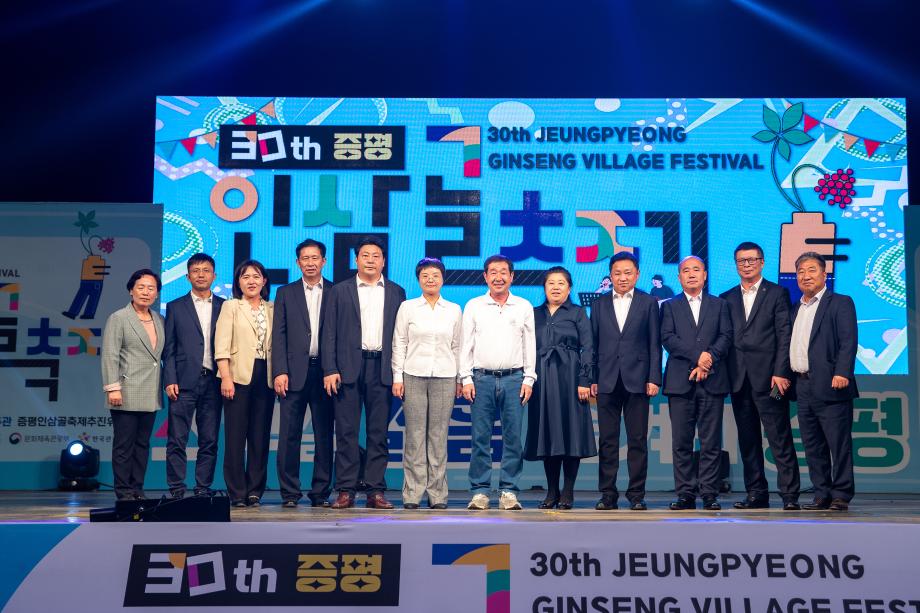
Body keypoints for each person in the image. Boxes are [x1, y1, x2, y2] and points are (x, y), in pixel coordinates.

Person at [322, 237, 406, 509]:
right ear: (356, 259)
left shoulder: (396, 292)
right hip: (346, 369)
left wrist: (399, 373)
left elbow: (401, 336)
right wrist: (330, 368)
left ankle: (375, 490)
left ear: (384, 261)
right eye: (365, 255)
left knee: (378, 433)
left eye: (376, 255)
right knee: (346, 432)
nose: (371, 260)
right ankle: (345, 490)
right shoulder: (340, 290)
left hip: (381, 368)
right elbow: (329, 332)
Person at [720, 242, 801, 511]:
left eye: (751, 260)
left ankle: (789, 495)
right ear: (736, 264)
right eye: (741, 261)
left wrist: (781, 372)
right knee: (748, 440)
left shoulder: (777, 293)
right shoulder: (726, 297)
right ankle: (756, 494)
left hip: (771, 380)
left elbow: (784, 335)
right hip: (738, 379)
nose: (746, 265)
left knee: (779, 437)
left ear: (762, 262)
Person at [460, 255, 536, 511]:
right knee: (480, 438)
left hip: (515, 379)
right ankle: (480, 491)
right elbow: (466, 345)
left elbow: (529, 345)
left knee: (512, 438)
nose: (498, 277)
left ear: (512, 276)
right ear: (485, 276)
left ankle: (508, 491)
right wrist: (466, 378)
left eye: (504, 272)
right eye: (493, 272)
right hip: (481, 379)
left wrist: (529, 378)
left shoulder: (523, 306)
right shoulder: (474, 306)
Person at [660, 256, 733, 511]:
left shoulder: (720, 304)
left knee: (710, 442)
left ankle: (710, 493)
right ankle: (685, 494)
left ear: (705, 275)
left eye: (696, 270)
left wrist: (708, 360)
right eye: (685, 271)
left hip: (712, 380)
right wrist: (697, 357)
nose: (691, 274)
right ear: (679, 277)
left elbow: (726, 336)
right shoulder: (669, 306)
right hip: (680, 382)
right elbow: (667, 338)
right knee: (681, 442)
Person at [590, 253, 661, 511]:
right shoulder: (598, 304)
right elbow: (592, 344)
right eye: (617, 273)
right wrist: (592, 378)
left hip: (638, 380)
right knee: (607, 441)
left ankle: (636, 495)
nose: (622, 277)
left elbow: (654, 343)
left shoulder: (648, 302)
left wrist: (654, 377)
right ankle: (607, 494)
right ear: (610, 275)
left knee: (637, 441)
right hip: (606, 380)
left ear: (637, 274)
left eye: (628, 272)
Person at [391, 257, 462, 510]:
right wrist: (397, 377)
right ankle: (413, 493)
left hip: (445, 376)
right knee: (414, 436)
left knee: (438, 436)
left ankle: (438, 494)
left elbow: (457, 346)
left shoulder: (453, 309)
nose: (430, 280)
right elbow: (399, 342)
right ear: (418, 279)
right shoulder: (408, 307)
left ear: (443, 279)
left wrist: (459, 379)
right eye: (425, 276)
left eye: (435, 275)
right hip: (413, 375)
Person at [790, 252, 858, 512]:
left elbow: (848, 341)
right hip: (802, 385)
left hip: (832, 384)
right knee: (812, 444)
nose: (805, 276)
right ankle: (822, 494)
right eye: (800, 272)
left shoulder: (840, 302)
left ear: (824, 273)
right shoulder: (796, 308)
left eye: (811, 270)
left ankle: (841, 494)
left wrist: (842, 372)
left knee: (838, 443)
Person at [524, 266, 595, 510]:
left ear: (569, 288)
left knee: (570, 434)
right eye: (551, 283)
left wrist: (584, 380)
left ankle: (568, 491)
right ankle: (552, 490)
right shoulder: (534, 314)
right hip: (542, 378)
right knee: (548, 435)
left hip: (571, 377)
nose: (555, 287)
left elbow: (588, 347)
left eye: (561, 283)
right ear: (544, 287)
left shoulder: (578, 312)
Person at [272, 239, 334, 508]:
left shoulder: (336, 291)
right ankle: (289, 493)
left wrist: (334, 369)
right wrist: (279, 370)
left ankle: (320, 492)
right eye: (305, 259)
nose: (310, 263)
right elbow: (279, 334)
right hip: (293, 373)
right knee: (289, 436)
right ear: (297, 263)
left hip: (325, 373)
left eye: (315, 258)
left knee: (324, 435)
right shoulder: (285, 293)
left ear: (324, 261)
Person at [163, 253, 224, 499]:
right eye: (196, 271)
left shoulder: (225, 306)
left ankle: (202, 488)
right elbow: (169, 347)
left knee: (209, 440)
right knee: (177, 439)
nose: (201, 275)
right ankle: (177, 488)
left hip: (214, 381)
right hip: (183, 381)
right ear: (187, 276)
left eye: (206, 270)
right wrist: (170, 378)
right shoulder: (175, 306)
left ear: (214, 276)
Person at [214, 260, 274, 508]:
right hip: (237, 377)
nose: (251, 281)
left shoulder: (273, 308)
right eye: (245, 276)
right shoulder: (231, 306)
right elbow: (221, 345)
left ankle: (255, 490)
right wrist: (225, 377)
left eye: (256, 276)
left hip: (266, 377)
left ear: (264, 281)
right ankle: (237, 491)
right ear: (238, 282)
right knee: (235, 437)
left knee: (260, 437)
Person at [101, 269, 165, 501]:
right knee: (124, 445)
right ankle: (123, 491)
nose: (146, 292)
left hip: (150, 392)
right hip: (126, 391)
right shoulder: (119, 318)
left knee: (142, 445)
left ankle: (137, 488)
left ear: (156, 294)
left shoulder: (159, 319)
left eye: (151, 288)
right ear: (131, 290)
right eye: (141, 287)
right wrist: (113, 387)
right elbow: (110, 355)